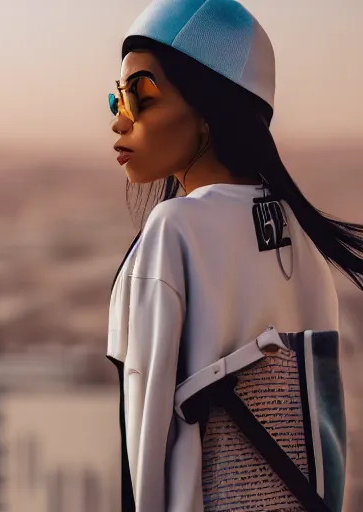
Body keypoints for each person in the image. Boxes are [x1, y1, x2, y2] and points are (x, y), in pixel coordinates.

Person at [106, 1, 362, 511]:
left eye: (142, 97)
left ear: (208, 111)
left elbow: (147, 435)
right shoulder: (300, 232)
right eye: (116, 101)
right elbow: (325, 431)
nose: (120, 123)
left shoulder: (176, 228)